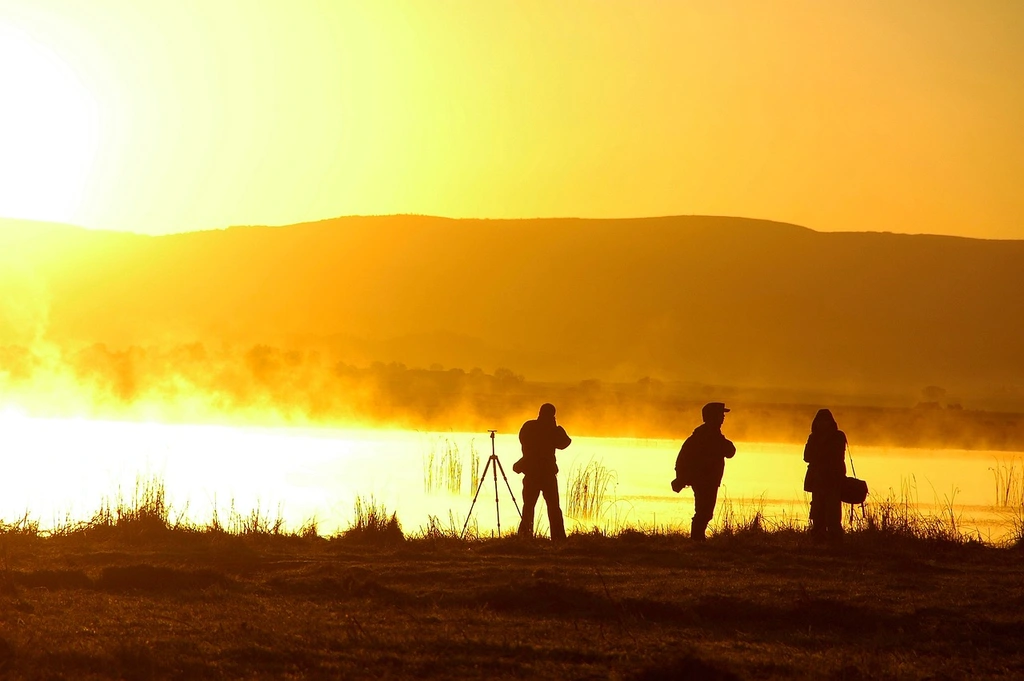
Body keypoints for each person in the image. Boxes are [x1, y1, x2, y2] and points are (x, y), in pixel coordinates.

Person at [671, 402, 736, 541]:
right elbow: (730, 451)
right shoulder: (710, 436)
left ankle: (697, 539)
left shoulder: (703, 435)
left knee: (704, 512)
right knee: (704, 512)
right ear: (713, 417)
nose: (723, 417)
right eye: (721, 414)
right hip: (706, 481)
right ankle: (697, 540)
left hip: (706, 481)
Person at [513, 403, 571, 540]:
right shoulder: (551, 430)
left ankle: (525, 536)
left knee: (528, 506)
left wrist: (553, 429)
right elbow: (565, 443)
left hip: (532, 473)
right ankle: (558, 538)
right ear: (553, 416)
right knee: (553, 507)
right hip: (547, 474)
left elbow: (524, 441)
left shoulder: (528, 426)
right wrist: (556, 428)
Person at [803, 408, 848, 542]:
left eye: (825, 421)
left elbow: (835, 456)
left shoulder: (838, 436)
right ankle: (818, 538)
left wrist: (819, 456)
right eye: (820, 421)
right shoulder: (813, 437)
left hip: (833, 479)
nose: (822, 424)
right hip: (817, 479)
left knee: (833, 511)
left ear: (830, 422)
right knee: (817, 510)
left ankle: (835, 539)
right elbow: (806, 456)